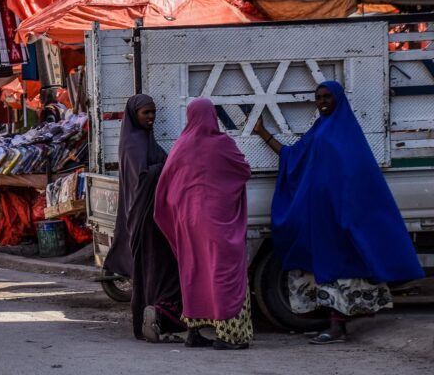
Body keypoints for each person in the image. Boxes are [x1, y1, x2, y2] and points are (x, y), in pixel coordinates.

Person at [256, 81, 423, 344]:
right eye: (318, 97)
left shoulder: (347, 133)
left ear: (338, 100)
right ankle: (334, 326)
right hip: (321, 217)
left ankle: (338, 329)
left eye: (327, 97)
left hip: (339, 217)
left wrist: (347, 213)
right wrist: (263, 134)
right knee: (323, 270)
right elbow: (293, 156)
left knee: (339, 270)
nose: (322, 101)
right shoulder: (319, 129)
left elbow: (356, 176)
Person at [155, 98, 254, 350]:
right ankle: (227, 335)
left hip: (187, 222)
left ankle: (195, 332)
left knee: (194, 272)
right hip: (217, 222)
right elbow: (243, 169)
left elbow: (166, 185)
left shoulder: (181, 145)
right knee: (224, 271)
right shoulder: (220, 144)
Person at [102, 95, 184, 342]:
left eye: (153, 113)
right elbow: (141, 179)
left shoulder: (145, 140)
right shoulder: (134, 144)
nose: (150, 117)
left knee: (159, 269)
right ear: (134, 115)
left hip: (153, 215)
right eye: (145, 113)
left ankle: (158, 318)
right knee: (154, 269)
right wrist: (167, 167)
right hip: (145, 217)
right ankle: (151, 318)